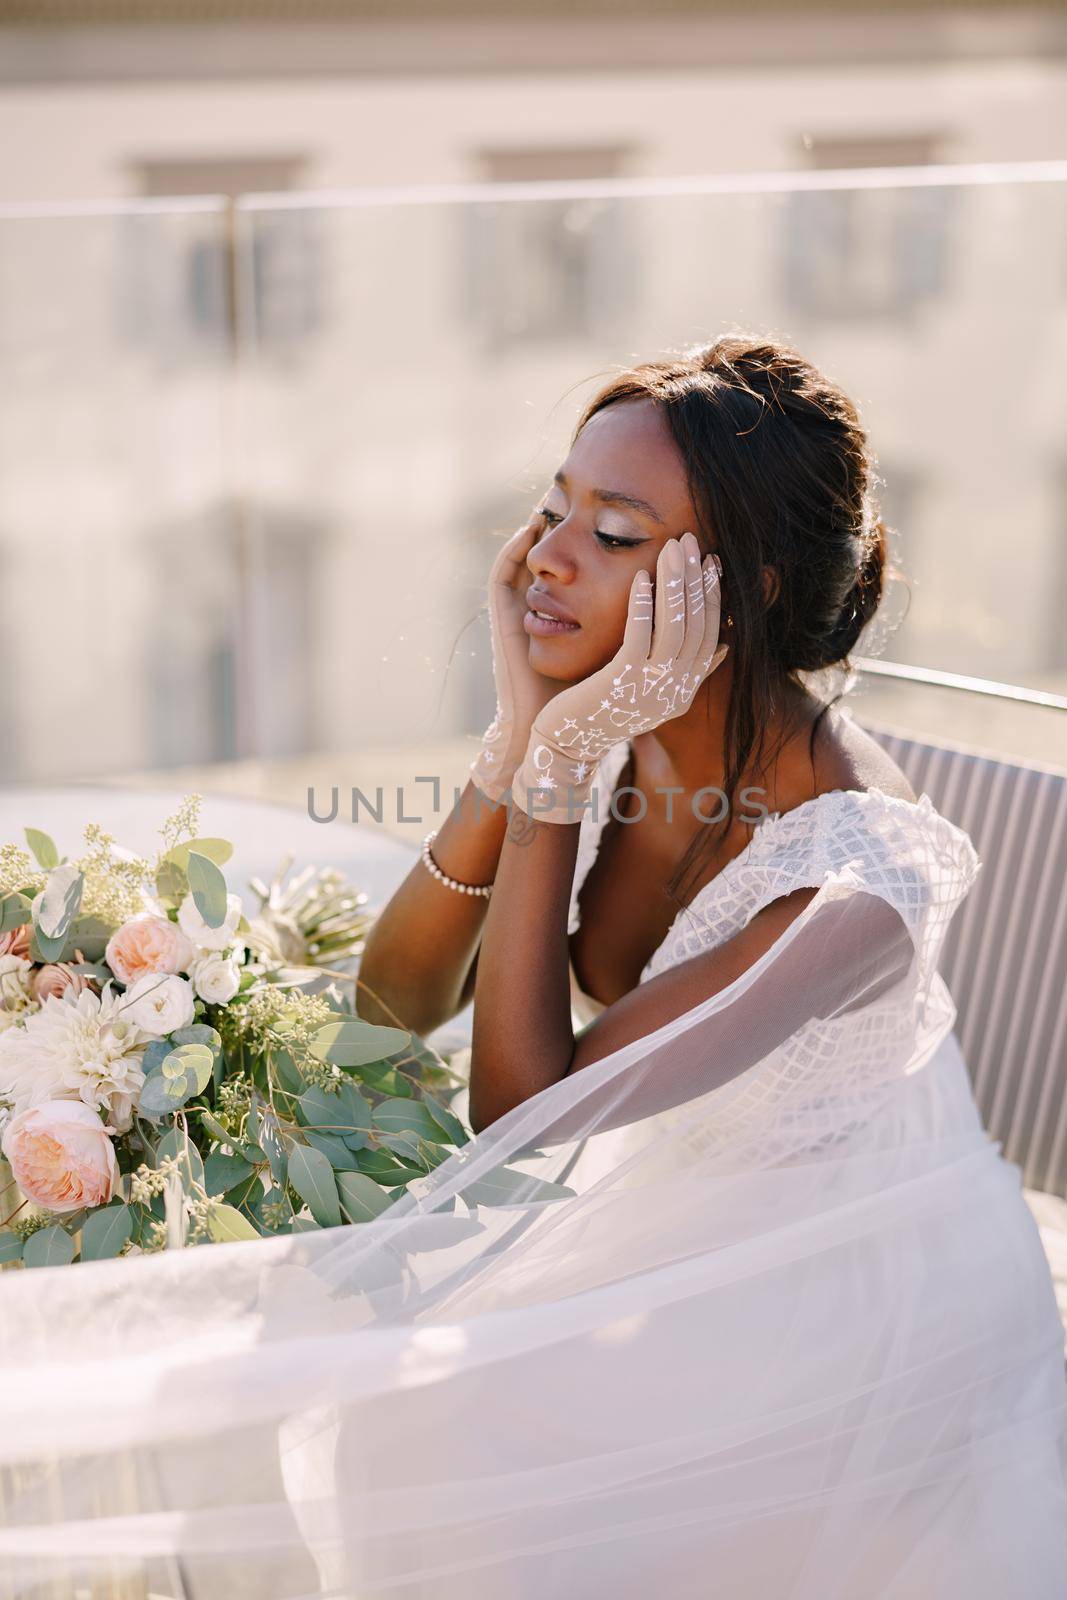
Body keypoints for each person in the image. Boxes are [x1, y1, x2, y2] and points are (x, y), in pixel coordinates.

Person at [1, 335, 1064, 1599]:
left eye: (614, 536)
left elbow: (519, 1107)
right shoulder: (634, 720)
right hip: (657, 1203)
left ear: (746, 590)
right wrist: (518, 741)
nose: (546, 559)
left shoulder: (851, 886)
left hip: (827, 1302)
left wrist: (554, 769)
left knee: (406, 1425)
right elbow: (394, 1003)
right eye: (552, 508)